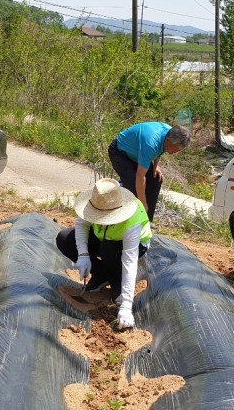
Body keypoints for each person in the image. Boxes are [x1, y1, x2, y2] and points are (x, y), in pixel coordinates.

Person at [55, 178, 152, 330]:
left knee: (108, 249)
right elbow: (82, 225)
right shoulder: (96, 201)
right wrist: (83, 255)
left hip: (134, 245)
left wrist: (127, 305)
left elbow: (129, 260)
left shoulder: (131, 221)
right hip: (104, 237)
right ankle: (101, 275)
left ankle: (116, 280)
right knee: (64, 239)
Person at [108, 122, 190, 223]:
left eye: (178, 150)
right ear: (168, 140)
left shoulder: (170, 133)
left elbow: (160, 148)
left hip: (137, 154)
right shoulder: (151, 142)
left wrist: (156, 166)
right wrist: (143, 202)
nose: (174, 152)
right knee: (133, 185)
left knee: (156, 179)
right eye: (174, 148)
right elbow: (140, 176)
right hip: (119, 152)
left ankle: (145, 221)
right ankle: (126, 221)